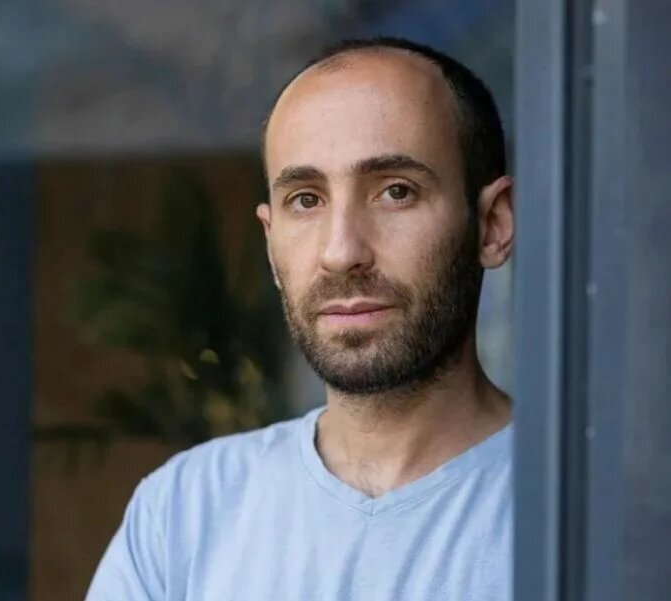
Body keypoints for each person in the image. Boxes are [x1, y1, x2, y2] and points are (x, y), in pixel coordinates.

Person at [87, 36, 515, 600]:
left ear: (491, 225)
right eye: (306, 200)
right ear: (271, 243)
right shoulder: (181, 514)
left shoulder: (594, 511)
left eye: (395, 191)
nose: (341, 251)